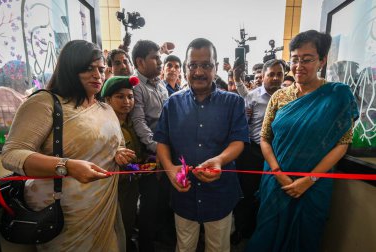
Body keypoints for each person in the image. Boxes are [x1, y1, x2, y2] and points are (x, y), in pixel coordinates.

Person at [2, 40, 135, 252]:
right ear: (70, 68)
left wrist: (119, 154)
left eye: (101, 69)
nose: (97, 75)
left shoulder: (105, 109)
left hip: (103, 209)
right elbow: (11, 154)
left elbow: (114, 144)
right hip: (64, 215)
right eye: (88, 68)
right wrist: (67, 166)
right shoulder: (45, 103)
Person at [246, 30, 359, 252]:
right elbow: (265, 138)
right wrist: (278, 174)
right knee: (267, 235)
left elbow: (343, 143)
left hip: (314, 186)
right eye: (295, 59)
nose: (298, 66)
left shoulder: (337, 95)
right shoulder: (280, 96)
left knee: (305, 238)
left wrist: (310, 179)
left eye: (307, 60)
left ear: (322, 60)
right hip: (276, 182)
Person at [154, 38, 249, 252]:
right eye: (192, 65)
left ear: (216, 68)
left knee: (218, 247)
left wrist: (219, 160)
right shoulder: (172, 104)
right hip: (183, 192)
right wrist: (170, 171)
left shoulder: (233, 102)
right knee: (184, 246)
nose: (198, 72)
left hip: (220, 193)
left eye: (206, 65)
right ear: (185, 68)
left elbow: (239, 141)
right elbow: (162, 143)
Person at [231, 59, 285, 244]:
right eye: (271, 74)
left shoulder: (290, 98)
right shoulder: (252, 97)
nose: (275, 78)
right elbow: (243, 125)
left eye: (279, 74)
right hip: (253, 153)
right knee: (247, 194)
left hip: (279, 155)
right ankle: (241, 231)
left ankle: (262, 233)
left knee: (269, 195)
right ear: (263, 76)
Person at [130, 40, 172, 252]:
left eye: (159, 56)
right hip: (150, 155)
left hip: (166, 152)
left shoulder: (161, 84)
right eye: (155, 57)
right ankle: (146, 244)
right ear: (140, 61)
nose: (160, 61)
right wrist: (157, 148)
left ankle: (161, 237)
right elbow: (139, 122)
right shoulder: (136, 86)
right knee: (149, 204)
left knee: (164, 199)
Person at [101, 76, 145, 252]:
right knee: (115, 227)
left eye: (130, 96)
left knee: (127, 221)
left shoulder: (131, 122)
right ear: (107, 99)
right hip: (112, 187)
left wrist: (142, 164)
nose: (127, 101)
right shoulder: (103, 125)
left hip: (130, 184)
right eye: (120, 97)